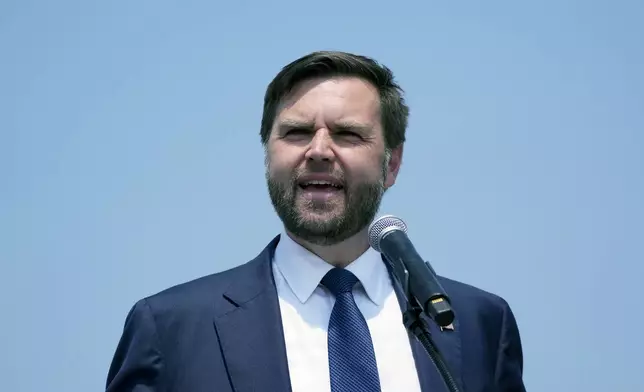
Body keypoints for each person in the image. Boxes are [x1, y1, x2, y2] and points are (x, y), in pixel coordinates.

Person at [105, 51, 526, 392]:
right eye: (296, 133)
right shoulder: (170, 329)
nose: (320, 150)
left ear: (392, 164)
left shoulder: (477, 322)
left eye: (347, 134)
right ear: (268, 155)